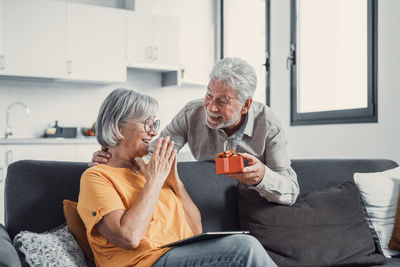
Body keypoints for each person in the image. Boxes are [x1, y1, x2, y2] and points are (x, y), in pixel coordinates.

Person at [78, 88, 277, 267]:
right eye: (146, 123)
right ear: (118, 127)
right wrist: (155, 180)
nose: (154, 131)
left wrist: (174, 181)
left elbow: (196, 229)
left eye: (154, 123)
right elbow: (129, 237)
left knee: (242, 245)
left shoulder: (152, 169)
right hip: (144, 262)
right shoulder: (97, 177)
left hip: (177, 255)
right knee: (244, 247)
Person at [90, 57, 299, 206]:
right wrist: (112, 160)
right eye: (209, 95)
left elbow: (291, 192)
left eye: (223, 101)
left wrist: (262, 176)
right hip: (206, 202)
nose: (211, 107)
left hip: (253, 205)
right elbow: (154, 153)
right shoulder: (192, 113)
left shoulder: (269, 125)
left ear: (246, 105)